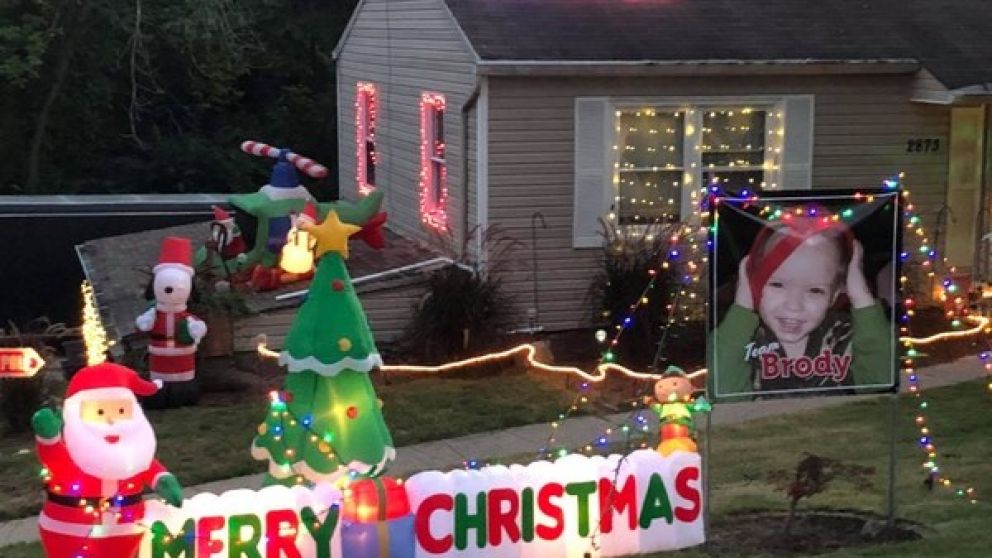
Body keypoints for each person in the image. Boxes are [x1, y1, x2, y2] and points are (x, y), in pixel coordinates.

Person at [712, 213, 894, 397]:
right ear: (754, 285)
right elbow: (724, 392)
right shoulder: (743, 339)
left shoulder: (844, 335)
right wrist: (743, 305)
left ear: (833, 296)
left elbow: (880, 379)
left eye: (815, 290)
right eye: (777, 285)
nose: (794, 306)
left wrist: (861, 296)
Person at [32, 362, 183, 558]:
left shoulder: (135, 451)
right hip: (70, 531)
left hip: (124, 532)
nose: (111, 421)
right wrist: (49, 439)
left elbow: (147, 466)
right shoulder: (75, 448)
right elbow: (55, 460)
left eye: (121, 411)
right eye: (100, 412)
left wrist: (162, 480)